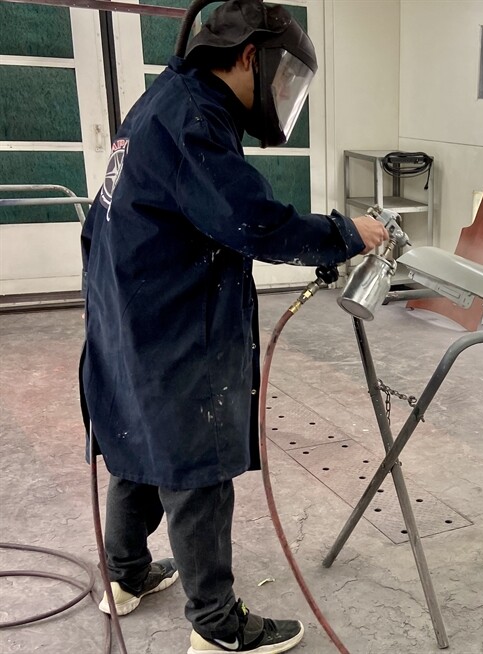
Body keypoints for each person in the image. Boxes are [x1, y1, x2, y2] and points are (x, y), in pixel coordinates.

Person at [78, 1, 388, 652]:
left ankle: (126, 577)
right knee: (194, 467)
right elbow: (254, 223)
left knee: (135, 442)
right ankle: (217, 628)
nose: (281, 95)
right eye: (280, 78)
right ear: (250, 57)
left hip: (124, 308)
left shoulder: (165, 97)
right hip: (169, 320)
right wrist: (346, 234)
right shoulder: (193, 118)